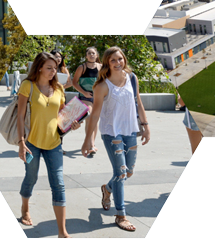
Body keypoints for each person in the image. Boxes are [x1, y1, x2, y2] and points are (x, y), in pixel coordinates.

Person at [82, 47, 150, 232]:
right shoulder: (102, 86)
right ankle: (121, 215)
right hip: (112, 133)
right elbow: (94, 116)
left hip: (130, 131)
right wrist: (88, 140)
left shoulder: (132, 78)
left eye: (120, 59)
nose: (118, 63)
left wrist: (145, 126)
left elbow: (138, 101)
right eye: (113, 60)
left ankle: (107, 189)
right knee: (120, 173)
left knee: (128, 172)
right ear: (107, 63)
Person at [14, 52, 71, 238]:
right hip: (32, 144)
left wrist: (73, 122)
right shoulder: (27, 86)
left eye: (55, 68)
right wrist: (21, 142)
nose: (53, 72)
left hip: (54, 143)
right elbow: (20, 116)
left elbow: (63, 116)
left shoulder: (59, 89)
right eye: (49, 68)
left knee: (59, 184)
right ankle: (25, 208)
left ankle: (62, 233)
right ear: (39, 67)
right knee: (31, 178)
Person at [71, 47, 102, 156]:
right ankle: (90, 145)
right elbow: (74, 82)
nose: (91, 55)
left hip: (98, 97)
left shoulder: (101, 67)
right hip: (85, 96)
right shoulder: (82, 67)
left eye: (93, 53)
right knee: (89, 118)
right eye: (89, 53)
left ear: (97, 55)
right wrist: (84, 93)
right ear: (86, 56)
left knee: (95, 119)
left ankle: (91, 143)